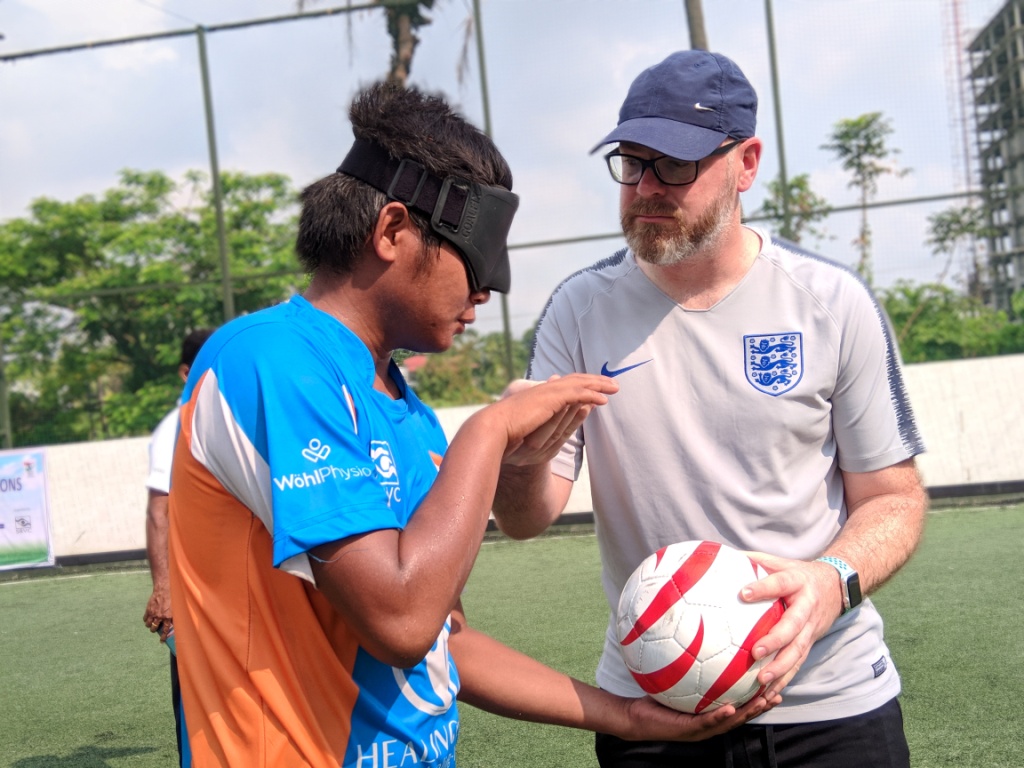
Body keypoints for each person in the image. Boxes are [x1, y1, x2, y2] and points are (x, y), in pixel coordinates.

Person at [166, 81, 776, 768]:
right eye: (476, 261)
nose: (485, 293)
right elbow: (399, 620)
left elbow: (443, 639)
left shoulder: (405, 410)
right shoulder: (267, 360)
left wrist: (628, 717)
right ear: (392, 231)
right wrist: (489, 435)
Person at [491, 50, 929, 768]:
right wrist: (517, 460)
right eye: (632, 163)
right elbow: (526, 517)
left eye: (676, 165)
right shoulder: (579, 310)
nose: (646, 188)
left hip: (829, 706)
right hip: (655, 710)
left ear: (745, 163)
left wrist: (830, 580)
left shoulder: (829, 302)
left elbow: (894, 500)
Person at [142, 326, 214, 768]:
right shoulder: (176, 425)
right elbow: (159, 511)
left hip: (234, 590)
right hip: (194, 594)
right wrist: (164, 588)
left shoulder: (225, 416)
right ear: (185, 372)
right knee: (196, 702)